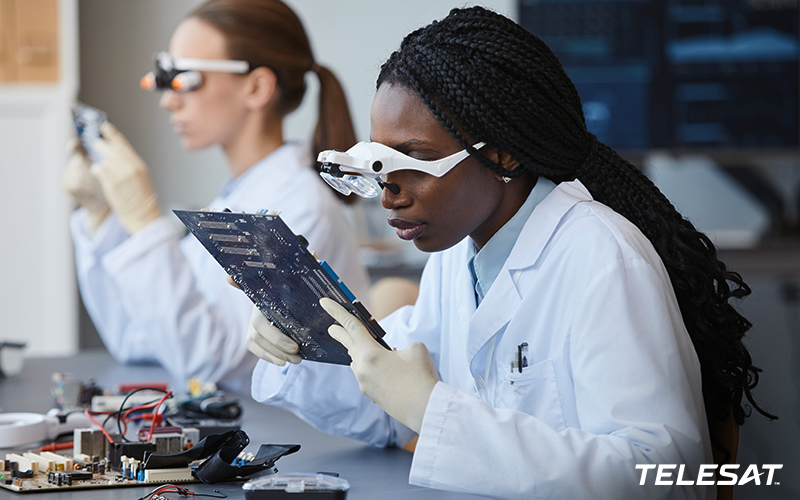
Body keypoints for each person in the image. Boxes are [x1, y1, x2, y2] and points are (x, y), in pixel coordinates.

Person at [244, 7, 775, 499]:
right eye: (381, 163)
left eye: (415, 160)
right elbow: (392, 408)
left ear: (501, 155)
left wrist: (434, 411)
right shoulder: (458, 253)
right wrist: (306, 339)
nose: (389, 192)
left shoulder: (602, 258)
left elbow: (665, 472)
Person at [63, 0, 370, 391]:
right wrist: (101, 215)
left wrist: (144, 223)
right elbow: (137, 339)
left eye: (185, 79)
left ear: (257, 87)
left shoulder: (299, 206)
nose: (168, 99)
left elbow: (210, 359)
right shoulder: (239, 194)